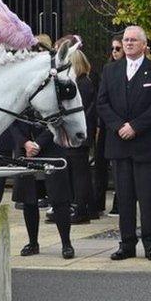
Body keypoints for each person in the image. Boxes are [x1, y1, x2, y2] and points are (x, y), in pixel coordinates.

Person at [96, 25, 151, 261]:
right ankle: (126, 244)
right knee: (125, 198)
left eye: (133, 40)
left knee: (147, 199)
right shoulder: (110, 70)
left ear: (144, 45)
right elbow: (102, 103)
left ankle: (150, 244)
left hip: (145, 145)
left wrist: (136, 126)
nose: (128, 43)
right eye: (126, 40)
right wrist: (119, 125)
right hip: (119, 144)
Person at [12, 119, 76, 259]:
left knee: (60, 200)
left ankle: (66, 244)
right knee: (29, 200)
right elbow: (12, 123)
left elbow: (58, 120)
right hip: (25, 151)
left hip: (52, 148)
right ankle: (33, 243)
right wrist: (25, 143)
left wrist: (38, 144)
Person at [55, 36, 96, 224]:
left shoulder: (82, 84)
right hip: (78, 134)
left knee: (81, 174)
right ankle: (84, 206)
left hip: (79, 135)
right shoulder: (82, 82)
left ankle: (82, 208)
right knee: (79, 173)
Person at [95, 35, 125, 217]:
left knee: (120, 167)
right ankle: (99, 201)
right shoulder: (108, 70)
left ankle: (119, 202)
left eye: (117, 49)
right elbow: (101, 101)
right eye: (113, 49)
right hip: (108, 125)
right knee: (101, 164)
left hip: (125, 125)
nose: (114, 52)